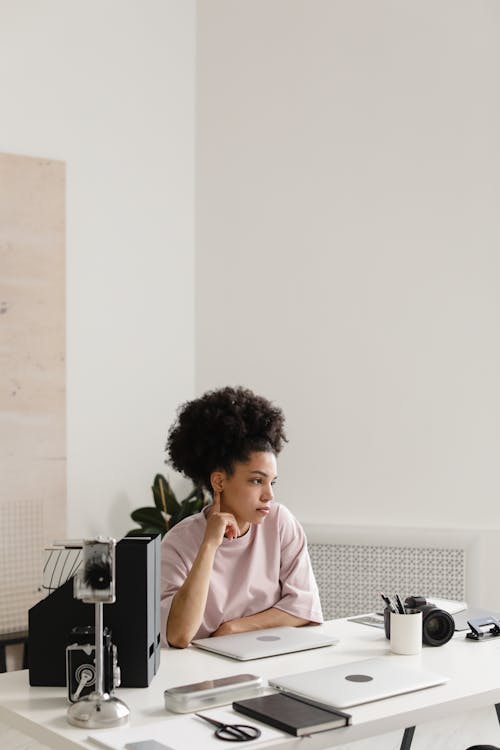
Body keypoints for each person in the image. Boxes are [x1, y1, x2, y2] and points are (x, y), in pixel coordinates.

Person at [160, 385, 323, 648]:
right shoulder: (178, 543)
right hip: (200, 675)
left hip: (271, 663)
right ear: (219, 481)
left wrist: (235, 628)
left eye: (272, 482)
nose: (268, 495)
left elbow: (304, 607)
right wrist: (209, 545)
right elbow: (178, 635)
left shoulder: (279, 523)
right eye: (257, 481)